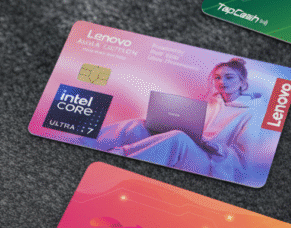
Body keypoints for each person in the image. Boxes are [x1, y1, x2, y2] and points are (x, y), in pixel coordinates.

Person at [94, 58, 265, 183]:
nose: (221, 82)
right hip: (195, 148)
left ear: (242, 83)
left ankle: (118, 158)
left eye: (229, 77)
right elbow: (193, 131)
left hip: (214, 164)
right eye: (217, 77)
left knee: (178, 138)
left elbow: (246, 161)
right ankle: (90, 141)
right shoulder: (211, 104)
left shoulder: (251, 113)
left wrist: (213, 145)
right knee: (140, 125)